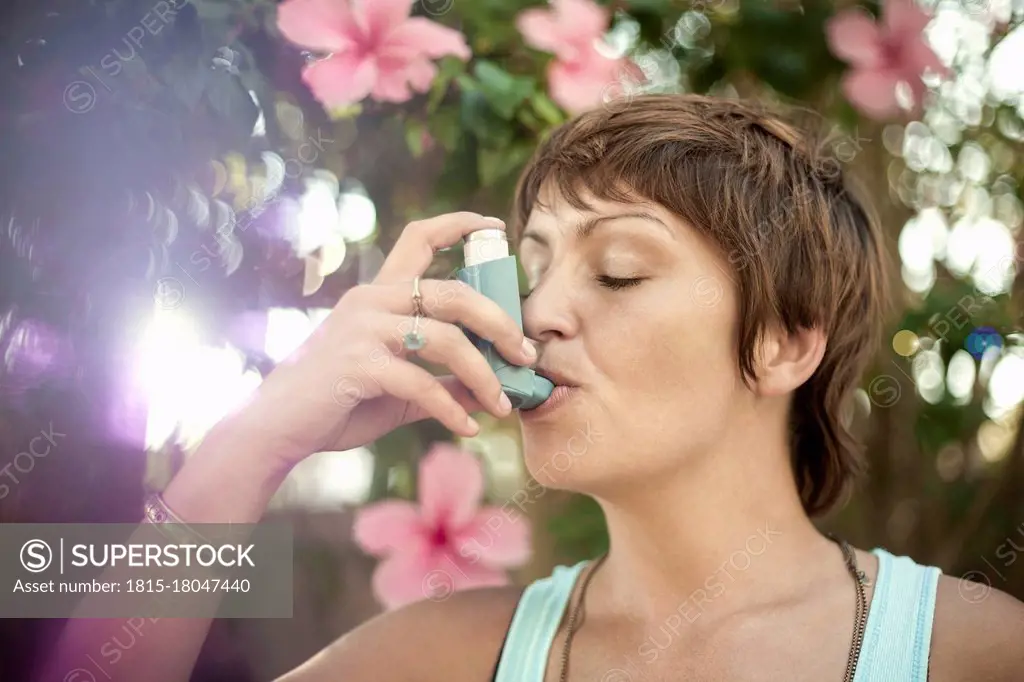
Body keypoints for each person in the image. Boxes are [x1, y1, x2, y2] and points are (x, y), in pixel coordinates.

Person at [43, 94, 1024, 682]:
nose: (538, 312)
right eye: (530, 268)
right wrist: (253, 443)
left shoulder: (981, 655)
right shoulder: (438, 656)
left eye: (619, 271)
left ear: (780, 343)